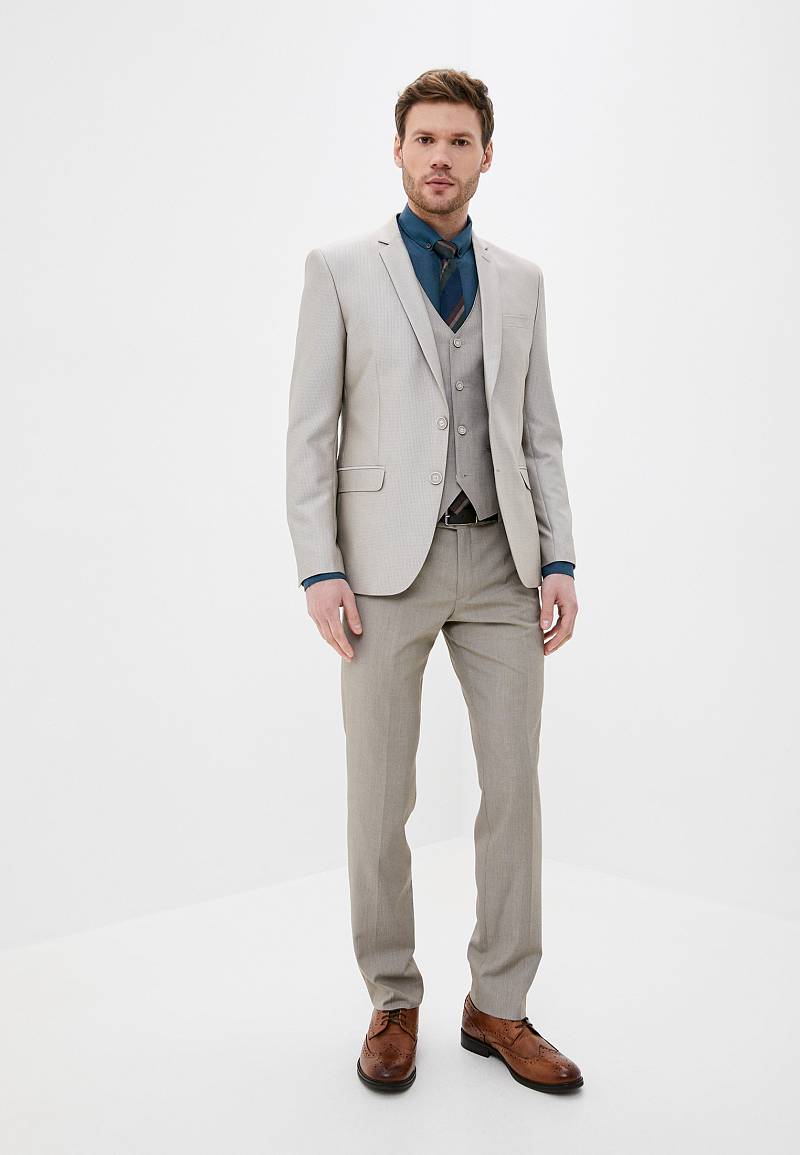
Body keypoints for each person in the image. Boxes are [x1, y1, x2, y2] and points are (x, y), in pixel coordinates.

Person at [285, 67, 583, 1095]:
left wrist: (558, 556)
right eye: (425, 140)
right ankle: (392, 997)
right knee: (380, 795)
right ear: (398, 150)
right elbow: (310, 433)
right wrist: (320, 566)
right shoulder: (338, 270)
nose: (441, 158)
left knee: (513, 791)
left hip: (501, 561)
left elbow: (540, 434)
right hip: (380, 571)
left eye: (460, 141)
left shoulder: (521, 281)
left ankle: (498, 1003)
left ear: (486, 155)